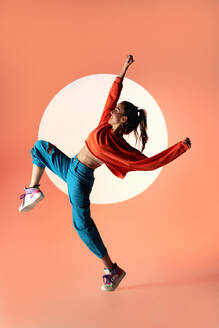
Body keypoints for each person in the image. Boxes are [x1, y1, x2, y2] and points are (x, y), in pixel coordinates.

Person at [19, 55, 192, 292]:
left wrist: (181, 147)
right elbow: (112, 98)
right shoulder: (104, 123)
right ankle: (33, 190)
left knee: (81, 225)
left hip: (80, 179)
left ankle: (112, 269)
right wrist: (123, 70)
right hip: (70, 166)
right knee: (40, 147)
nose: (110, 112)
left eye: (116, 112)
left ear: (123, 120)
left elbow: (151, 163)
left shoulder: (119, 147)